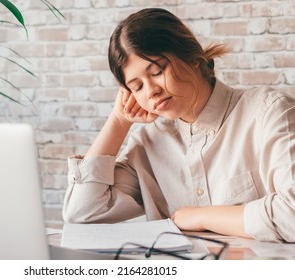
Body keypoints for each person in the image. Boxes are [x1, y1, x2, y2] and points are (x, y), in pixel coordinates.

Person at [62, 8, 295, 243]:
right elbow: (82, 212)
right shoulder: (149, 145)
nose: (151, 90)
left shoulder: (269, 112)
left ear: (192, 57)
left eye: (157, 71)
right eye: (137, 87)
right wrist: (119, 120)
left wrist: (202, 217)